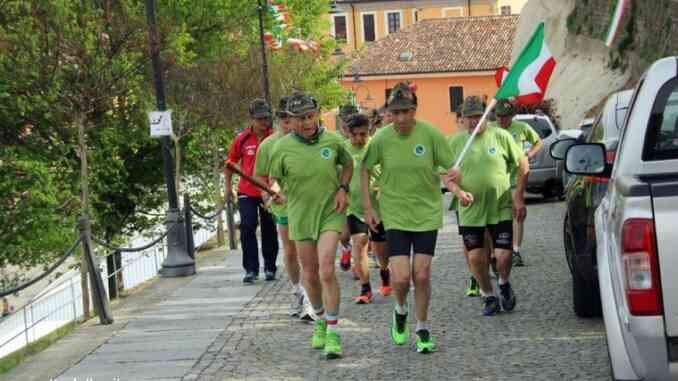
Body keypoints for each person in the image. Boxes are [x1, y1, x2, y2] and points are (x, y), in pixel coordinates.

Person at [362, 83, 456, 353]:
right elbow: (365, 169)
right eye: (396, 112)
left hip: (426, 212)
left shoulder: (431, 134)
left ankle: (423, 327)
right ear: (389, 113)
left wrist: (456, 177)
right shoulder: (381, 138)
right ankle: (401, 310)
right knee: (401, 279)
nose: (401, 118)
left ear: (415, 110)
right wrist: (369, 208)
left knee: (422, 274)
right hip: (395, 214)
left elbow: (450, 167)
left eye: (406, 112)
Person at [269, 92, 353, 359]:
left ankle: (332, 331)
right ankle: (319, 318)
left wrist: (342, 187)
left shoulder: (333, 140)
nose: (306, 123)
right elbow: (274, 180)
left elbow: (348, 163)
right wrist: (273, 191)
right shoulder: (281, 148)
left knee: (327, 269)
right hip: (300, 215)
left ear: (316, 114)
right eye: (298, 119)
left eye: (309, 116)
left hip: (330, 211)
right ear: (289, 122)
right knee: (311, 273)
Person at [446, 96, 529, 316]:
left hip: (500, 205)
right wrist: (457, 191)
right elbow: (445, 177)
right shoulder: (454, 143)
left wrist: (518, 196)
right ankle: (488, 295)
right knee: (475, 257)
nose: (474, 121)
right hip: (470, 209)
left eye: (478, 116)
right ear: (462, 119)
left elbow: (523, 164)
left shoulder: (500, 136)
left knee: (503, 256)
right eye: (469, 117)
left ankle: (503, 282)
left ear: (487, 116)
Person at [254, 95, 313, 320]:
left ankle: (310, 300)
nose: (290, 126)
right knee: (291, 250)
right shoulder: (269, 145)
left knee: (307, 253)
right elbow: (261, 176)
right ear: (279, 121)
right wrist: (268, 195)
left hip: (308, 204)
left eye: (293, 120)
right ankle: (297, 290)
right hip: (283, 207)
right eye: (286, 121)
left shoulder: (310, 141)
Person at [225, 99, 278, 284]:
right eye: (260, 119)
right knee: (247, 227)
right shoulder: (242, 139)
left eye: (266, 118)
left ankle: (270, 267)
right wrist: (227, 188)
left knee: (269, 229)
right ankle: (250, 269)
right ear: (252, 119)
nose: (264, 122)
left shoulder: (276, 137)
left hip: (269, 191)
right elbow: (230, 163)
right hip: (246, 191)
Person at [344, 113, 391, 304]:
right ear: (347, 133)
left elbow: (388, 170)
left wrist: (382, 187)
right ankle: (366, 288)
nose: (358, 139)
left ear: (369, 131)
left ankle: (384, 271)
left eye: (363, 134)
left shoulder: (376, 146)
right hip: (354, 207)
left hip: (378, 208)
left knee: (381, 249)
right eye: (354, 135)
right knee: (359, 244)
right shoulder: (343, 150)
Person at [492, 100, 543, 266]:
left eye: (505, 116)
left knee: (517, 215)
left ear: (511, 116)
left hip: (516, 179)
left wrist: (529, 154)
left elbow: (538, 142)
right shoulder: (490, 128)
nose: (501, 119)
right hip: (496, 180)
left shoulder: (522, 128)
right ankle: (494, 252)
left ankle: (515, 251)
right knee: (495, 216)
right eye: (499, 116)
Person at [337, 104, 358, 274]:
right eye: (344, 119)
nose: (346, 123)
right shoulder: (335, 140)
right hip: (341, 193)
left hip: (360, 193)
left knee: (360, 237)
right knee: (344, 235)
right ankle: (346, 248)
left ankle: (359, 264)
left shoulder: (360, 136)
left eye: (349, 119)